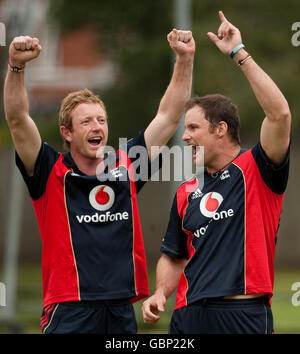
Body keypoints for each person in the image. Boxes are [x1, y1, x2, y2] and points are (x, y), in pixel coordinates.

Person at [4, 29, 195, 333]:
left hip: (119, 308)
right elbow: (17, 119)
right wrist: (16, 67)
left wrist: (184, 59)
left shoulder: (126, 164)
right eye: (86, 121)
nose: (97, 127)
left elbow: (170, 116)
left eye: (102, 120)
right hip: (69, 309)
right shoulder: (48, 171)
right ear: (67, 133)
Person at [142, 11, 291, 334]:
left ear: (221, 129)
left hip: (241, 314)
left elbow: (279, 114)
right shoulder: (186, 192)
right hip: (188, 315)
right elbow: (172, 254)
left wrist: (238, 53)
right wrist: (160, 292)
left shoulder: (258, 169)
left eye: (193, 127)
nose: (184, 137)